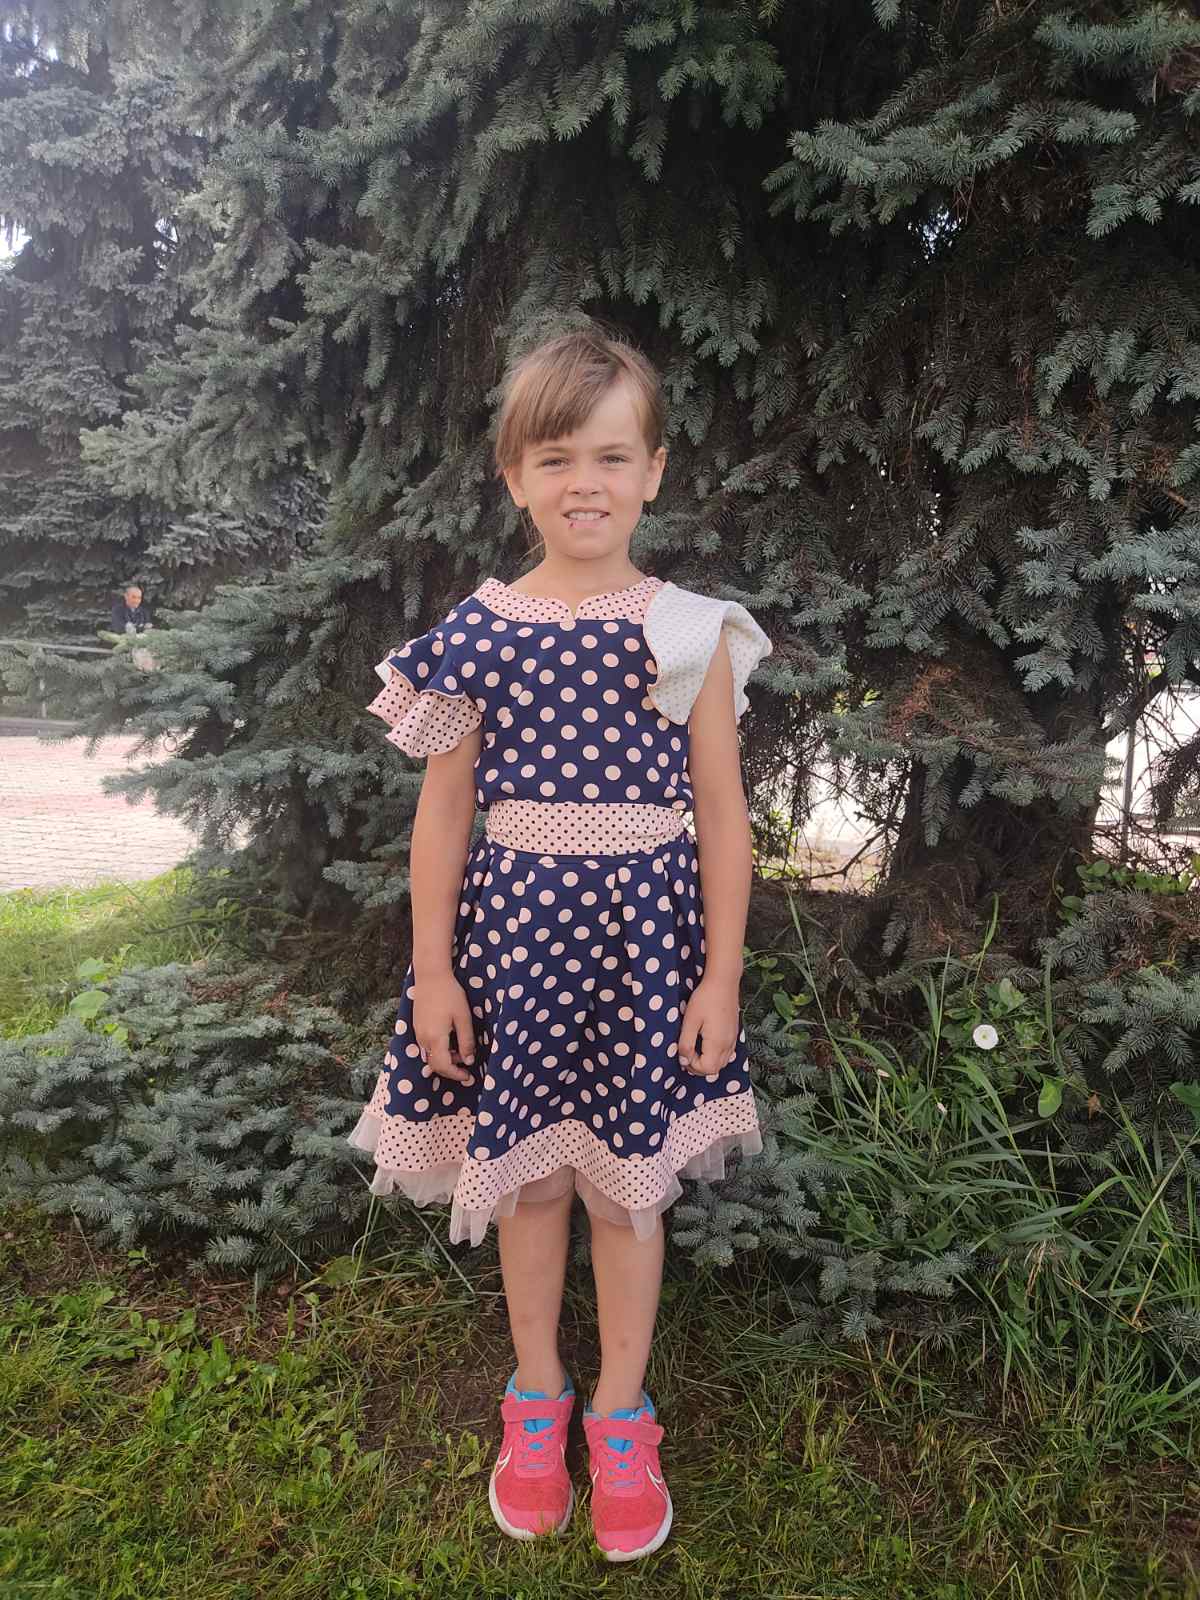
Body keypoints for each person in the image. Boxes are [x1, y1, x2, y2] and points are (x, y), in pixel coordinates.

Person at [346, 329, 772, 1562]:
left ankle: (621, 1416)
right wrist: (435, 970)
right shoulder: (478, 632)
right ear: (514, 477)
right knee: (532, 1180)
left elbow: (723, 815)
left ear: (655, 471)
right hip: (516, 952)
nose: (586, 481)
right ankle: (536, 1396)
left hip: (648, 955)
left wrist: (721, 974)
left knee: (626, 1191)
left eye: (612, 455)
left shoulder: (688, 631)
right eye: (556, 457)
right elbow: (444, 815)